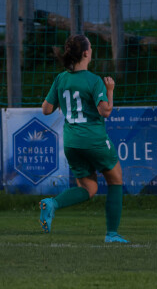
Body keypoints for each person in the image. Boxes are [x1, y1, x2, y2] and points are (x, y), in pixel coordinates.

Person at [38, 34, 129, 244]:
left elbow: (46, 109)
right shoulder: (94, 80)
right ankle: (112, 234)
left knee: (89, 189)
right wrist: (110, 90)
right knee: (115, 179)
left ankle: (52, 204)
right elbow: (105, 111)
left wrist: (63, 98)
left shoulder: (61, 78)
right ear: (86, 53)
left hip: (71, 142)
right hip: (94, 140)